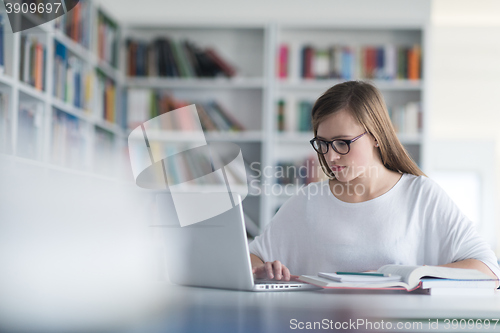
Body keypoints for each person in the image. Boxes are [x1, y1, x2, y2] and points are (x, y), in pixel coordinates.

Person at [249, 80, 500, 287]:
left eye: (342, 142)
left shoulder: (421, 196)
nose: (331, 156)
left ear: (376, 136)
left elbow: (486, 268)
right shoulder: (308, 200)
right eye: (322, 143)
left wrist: (410, 274)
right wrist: (261, 270)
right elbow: (250, 258)